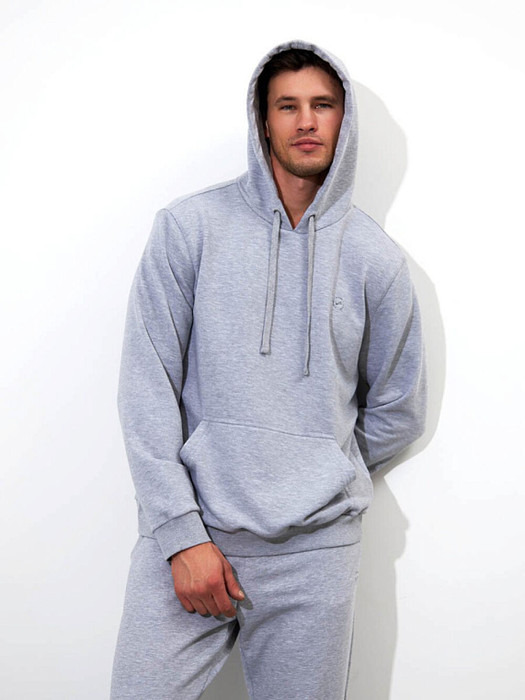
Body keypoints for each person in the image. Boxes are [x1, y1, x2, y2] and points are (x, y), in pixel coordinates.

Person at [110, 39, 427, 699]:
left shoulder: (376, 260)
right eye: (288, 106)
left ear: (344, 119)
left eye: (322, 105)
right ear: (262, 121)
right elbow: (147, 389)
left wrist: (317, 465)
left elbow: (399, 409)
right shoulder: (189, 229)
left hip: (314, 558)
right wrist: (181, 535)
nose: (306, 121)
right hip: (190, 538)